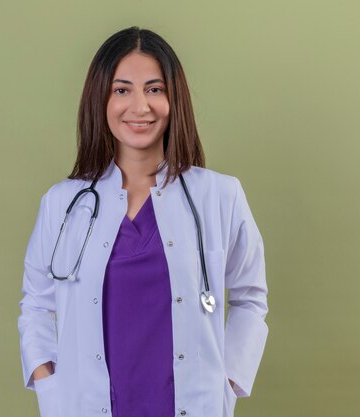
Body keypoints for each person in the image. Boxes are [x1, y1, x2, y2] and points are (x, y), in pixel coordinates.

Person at [17, 26, 268, 417]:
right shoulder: (63, 203)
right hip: (88, 406)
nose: (140, 107)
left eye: (154, 89)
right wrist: (46, 378)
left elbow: (250, 296)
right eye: (122, 90)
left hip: (188, 405)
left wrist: (229, 381)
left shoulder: (220, 196)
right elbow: (35, 303)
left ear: (174, 100)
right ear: (100, 99)